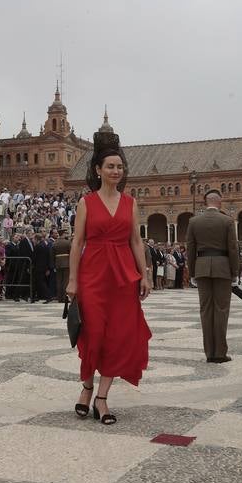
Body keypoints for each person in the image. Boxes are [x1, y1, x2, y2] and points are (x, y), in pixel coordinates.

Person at [67, 130, 151, 425]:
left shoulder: (130, 203)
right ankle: (87, 387)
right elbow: (77, 242)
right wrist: (73, 280)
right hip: (93, 273)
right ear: (98, 170)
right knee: (92, 334)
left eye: (119, 167)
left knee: (118, 335)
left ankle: (101, 398)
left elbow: (136, 242)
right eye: (111, 166)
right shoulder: (86, 203)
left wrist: (145, 275)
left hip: (123, 276)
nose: (116, 171)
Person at [187, 189, 240, 363]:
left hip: (202, 267)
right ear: (219, 202)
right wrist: (235, 271)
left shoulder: (194, 221)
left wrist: (193, 271)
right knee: (221, 309)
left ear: (205, 202)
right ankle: (220, 352)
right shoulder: (227, 221)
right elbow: (233, 248)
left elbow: (191, 249)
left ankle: (209, 352)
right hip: (222, 267)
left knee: (206, 310)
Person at [53, 224, 72, 302]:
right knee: (65, 281)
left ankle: (59, 297)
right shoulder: (67, 242)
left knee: (59, 281)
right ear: (63, 234)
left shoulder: (55, 243)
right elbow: (71, 253)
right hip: (66, 263)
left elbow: (52, 255)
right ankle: (64, 298)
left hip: (58, 263)